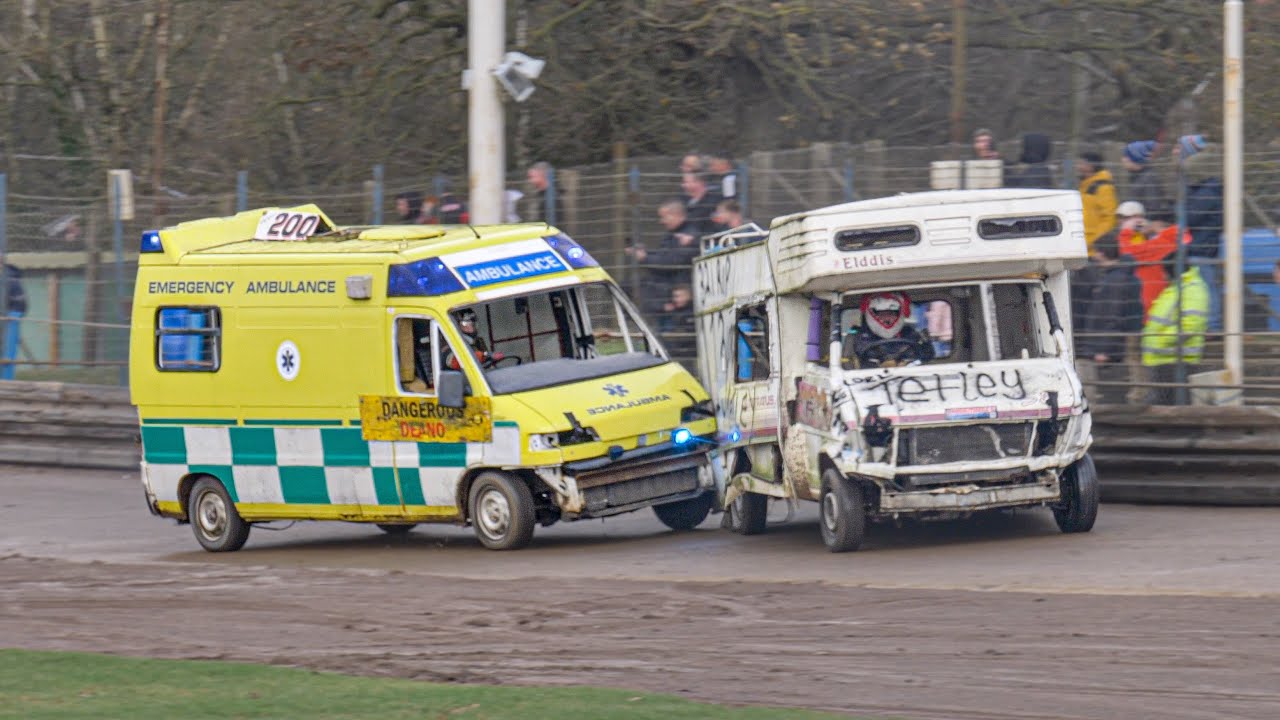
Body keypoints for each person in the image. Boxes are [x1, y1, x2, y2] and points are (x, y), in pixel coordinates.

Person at [1071, 231, 1143, 405]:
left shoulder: (1113, 282)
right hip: (1120, 336)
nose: (1094, 256)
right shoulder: (1118, 276)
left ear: (1102, 253)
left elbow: (1110, 315)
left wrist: (1104, 348)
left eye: (1096, 252)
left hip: (1112, 340)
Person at [1141, 244, 1209, 405]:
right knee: (1164, 407)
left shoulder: (1192, 290)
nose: (1163, 276)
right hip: (1164, 360)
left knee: (1168, 407)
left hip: (1175, 360)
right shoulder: (1179, 288)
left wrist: (1160, 340)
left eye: (1164, 272)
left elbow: (1190, 325)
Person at [625, 200, 701, 316]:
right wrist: (645, 253)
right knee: (627, 286)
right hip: (665, 283)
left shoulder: (689, 235)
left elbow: (673, 262)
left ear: (676, 215)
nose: (662, 221)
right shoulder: (674, 233)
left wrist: (645, 258)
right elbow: (665, 255)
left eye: (664, 217)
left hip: (676, 284)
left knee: (636, 289)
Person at [847, 291, 935, 369]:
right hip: (870, 381)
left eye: (891, 313)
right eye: (881, 314)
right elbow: (848, 364)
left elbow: (926, 359)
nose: (886, 318)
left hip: (909, 378)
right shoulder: (859, 337)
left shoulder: (910, 333)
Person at [1076, 152, 1117, 251]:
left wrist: (1095, 242)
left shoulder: (1103, 187)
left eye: (1081, 163)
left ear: (1091, 166)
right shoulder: (1085, 186)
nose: (1077, 167)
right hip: (1083, 244)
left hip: (1094, 249)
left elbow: (1109, 218)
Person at [1122, 139, 1165, 212]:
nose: (1123, 159)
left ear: (1135, 157)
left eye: (1126, 157)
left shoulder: (1149, 178)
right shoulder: (1137, 176)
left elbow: (1153, 207)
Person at [1, 259, 26, 381]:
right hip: (9, 314)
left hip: (11, 315)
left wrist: (13, 315)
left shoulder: (9, 277)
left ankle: (6, 381)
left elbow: (20, 303)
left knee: (8, 351)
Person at [525, 161, 566, 228]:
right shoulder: (540, 195)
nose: (530, 181)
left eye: (532, 177)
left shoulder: (552, 198)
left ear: (542, 175)